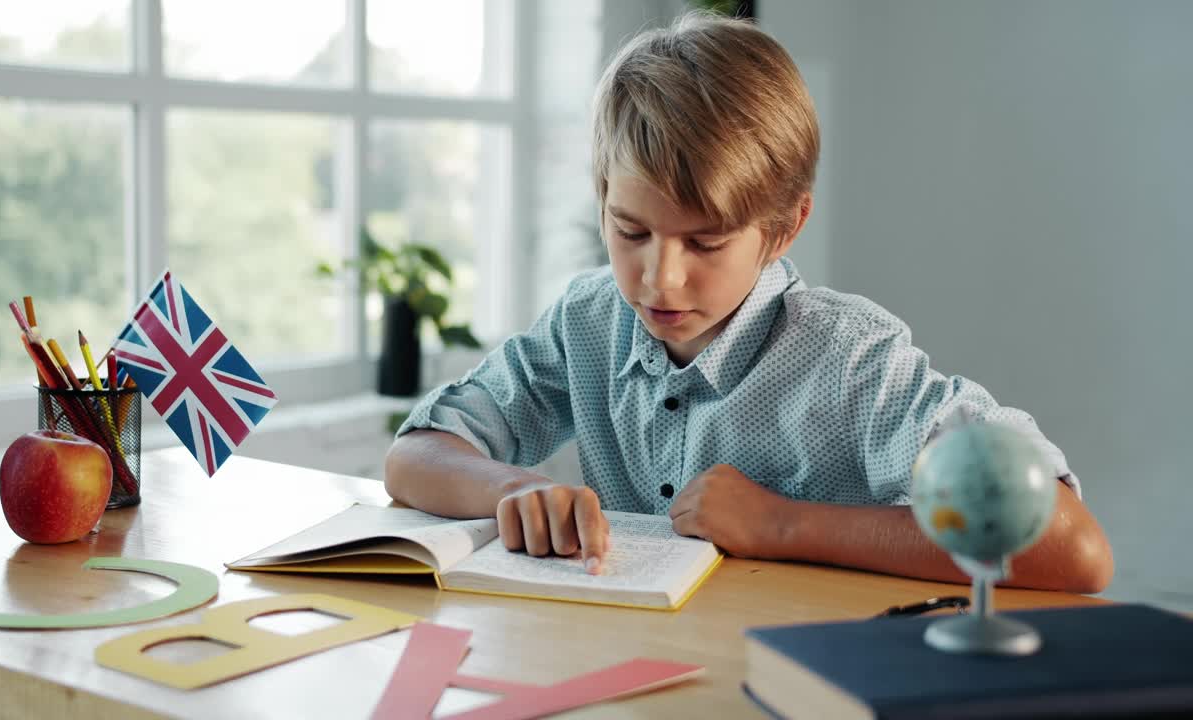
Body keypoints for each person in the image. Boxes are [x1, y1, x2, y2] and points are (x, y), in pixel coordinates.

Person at [384, 12, 1113, 593]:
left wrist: (783, 524)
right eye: (630, 231)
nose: (658, 281)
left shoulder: (850, 359)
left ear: (785, 228)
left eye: (704, 244)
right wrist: (515, 488)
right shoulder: (588, 319)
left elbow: (1075, 548)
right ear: (602, 197)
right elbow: (415, 455)